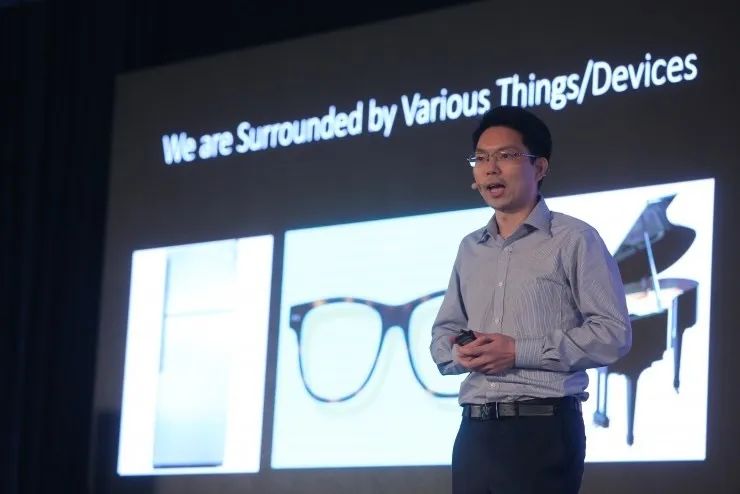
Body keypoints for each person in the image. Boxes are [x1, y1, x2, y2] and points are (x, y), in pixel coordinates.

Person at [430, 105, 631, 494]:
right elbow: (442, 337)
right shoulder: (470, 248)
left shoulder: (575, 239)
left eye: (505, 156)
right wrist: (459, 353)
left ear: (539, 168)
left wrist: (518, 351)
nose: (490, 169)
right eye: (481, 159)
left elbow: (612, 334)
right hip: (474, 432)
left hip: (542, 430)